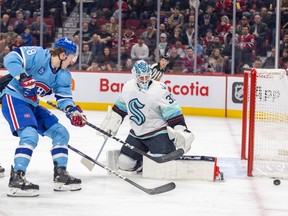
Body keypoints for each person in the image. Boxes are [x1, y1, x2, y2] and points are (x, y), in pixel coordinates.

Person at [1, 37, 86, 197]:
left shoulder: (63, 75)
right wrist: (23, 78)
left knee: (61, 133)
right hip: (14, 98)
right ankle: (16, 178)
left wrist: (72, 111)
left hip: (32, 104)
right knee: (29, 135)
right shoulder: (39, 55)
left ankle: (60, 175)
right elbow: (10, 58)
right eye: (71, 57)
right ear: (62, 55)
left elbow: (64, 97)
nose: (72, 61)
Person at [98, 60, 194, 173]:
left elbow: (173, 111)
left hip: (158, 133)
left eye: (146, 76)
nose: (144, 80)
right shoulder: (128, 87)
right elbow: (120, 108)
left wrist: (180, 129)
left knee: (160, 167)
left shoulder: (159, 89)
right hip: (137, 134)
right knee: (125, 163)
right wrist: (112, 122)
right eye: (141, 77)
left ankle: (154, 155)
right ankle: (142, 163)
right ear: (134, 74)